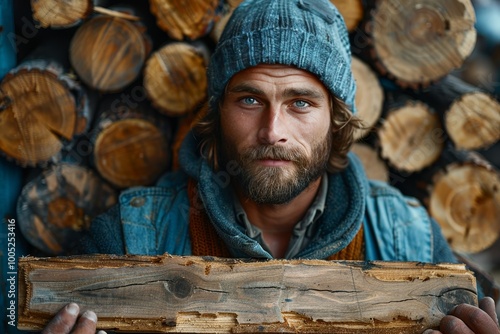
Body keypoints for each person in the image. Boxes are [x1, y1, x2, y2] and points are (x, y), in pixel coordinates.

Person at [41, 0, 499, 333]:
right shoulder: (131, 236)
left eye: (300, 102)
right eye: (249, 99)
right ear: (217, 113)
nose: (272, 129)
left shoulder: (408, 238)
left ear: (336, 122)